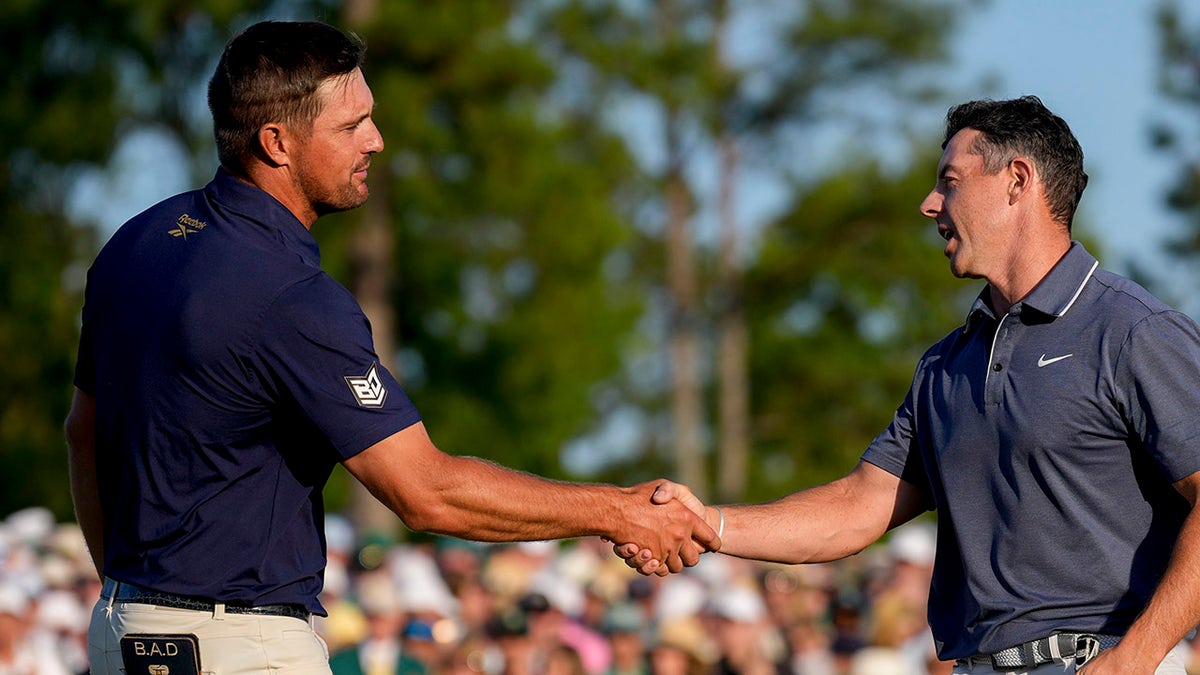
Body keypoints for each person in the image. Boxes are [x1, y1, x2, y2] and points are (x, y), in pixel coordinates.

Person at [63, 20, 718, 675]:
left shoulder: (132, 246)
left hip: (120, 631)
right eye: (351, 127)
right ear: (276, 143)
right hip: (242, 648)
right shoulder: (293, 297)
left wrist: (136, 596)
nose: (375, 140)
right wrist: (618, 511)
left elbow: (81, 435)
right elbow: (427, 492)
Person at [630, 96, 1200, 674]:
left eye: (949, 182)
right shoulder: (943, 366)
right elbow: (858, 505)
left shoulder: (1134, 331)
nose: (931, 205)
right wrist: (708, 523)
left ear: (1017, 181)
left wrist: (1138, 656)